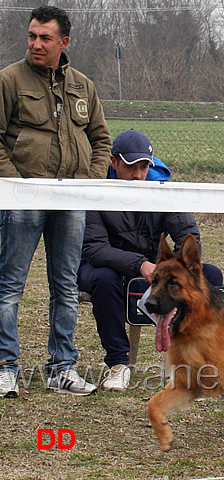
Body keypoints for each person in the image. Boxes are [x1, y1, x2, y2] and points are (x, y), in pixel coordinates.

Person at [0, 6, 111, 397]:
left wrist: (89, 183)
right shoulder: (9, 80)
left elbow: (101, 140)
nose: (36, 44)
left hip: (70, 202)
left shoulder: (83, 86)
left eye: (45, 38)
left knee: (65, 286)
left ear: (64, 42)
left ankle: (62, 367)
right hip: (22, 200)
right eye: (32, 35)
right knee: (9, 286)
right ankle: (4, 368)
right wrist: (16, 186)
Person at [77, 129, 224, 391]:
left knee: (210, 276)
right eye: (131, 167)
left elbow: (188, 235)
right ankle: (118, 364)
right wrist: (139, 264)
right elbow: (95, 249)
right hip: (107, 268)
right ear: (114, 162)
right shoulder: (95, 190)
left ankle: (192, 359)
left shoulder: (162, 190)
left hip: (156, 272)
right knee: (103, 279)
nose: (138, 175)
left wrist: (177, 269)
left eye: (144, 167)